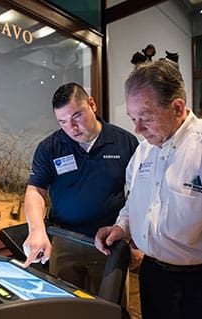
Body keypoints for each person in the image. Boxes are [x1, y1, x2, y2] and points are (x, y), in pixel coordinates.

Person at [95, 59, 202, 319]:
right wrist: (121, 227)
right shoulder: (143, 151)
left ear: (177, 108)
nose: (137, 129)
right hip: (152, 275)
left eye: (146, 118)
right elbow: (134, 202)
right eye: (133, 118)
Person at [22, 82, 139, 294]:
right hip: (64, 240)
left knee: (108, 308)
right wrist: (36, 229)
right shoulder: (49, 147)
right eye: (63, 122)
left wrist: (135, 241)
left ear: (92, 105)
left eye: (76, 116)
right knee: (65, 306)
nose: (72, 128)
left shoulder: (124, 142)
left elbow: (138, 194)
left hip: (108, 242)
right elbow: (35, 191)